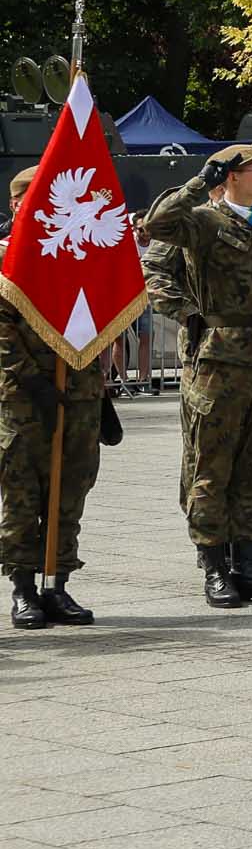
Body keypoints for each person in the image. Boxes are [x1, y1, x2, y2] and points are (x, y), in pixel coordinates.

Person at [148, 147, 252, 608]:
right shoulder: (204, 222)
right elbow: (158, 225)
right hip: (217, 363)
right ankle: (214, 564)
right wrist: (200, 180)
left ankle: (248, 563)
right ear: (231, 176)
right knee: (211, 468)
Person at [3, 164, 105, 628]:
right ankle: (23, 587)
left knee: (70, 491)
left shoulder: (76, 258)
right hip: (23, 398)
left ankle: (57, 583)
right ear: (15, 205)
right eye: (36, 200)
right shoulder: (6, 258)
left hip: (79, 394)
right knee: (23, 494)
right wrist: (34, 380)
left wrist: (101, 395)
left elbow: (100, 321)